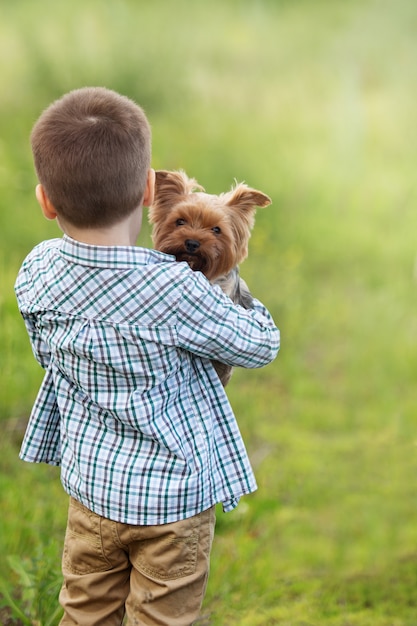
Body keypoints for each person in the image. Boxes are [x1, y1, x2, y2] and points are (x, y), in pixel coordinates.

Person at [14, 86, 280, 626]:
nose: (192, 238)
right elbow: (261, 346)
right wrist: (238, 296)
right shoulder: (177, 292)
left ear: (45, 201)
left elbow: (46, 351)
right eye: (182, 222)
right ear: (147, 193)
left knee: (84, 612)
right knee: (161, 618)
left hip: (92, 489)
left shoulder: (37, 268)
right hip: (173, 503)